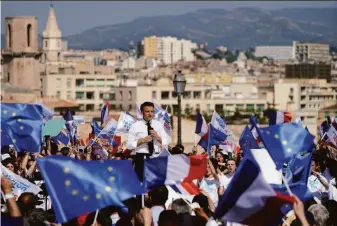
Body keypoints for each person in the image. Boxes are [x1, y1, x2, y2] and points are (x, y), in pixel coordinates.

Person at [127, 102, 168, 181]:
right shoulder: (135, 126)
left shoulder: (158, 125)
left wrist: (157, 137)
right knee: (141, 183)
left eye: (152, 111)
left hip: (156, 157)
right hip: (141, 157)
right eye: (147, 111)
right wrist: (142, 140)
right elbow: (129, 145)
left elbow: (165, 142)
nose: (150, 114)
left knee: (156, 184)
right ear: (142, 112)